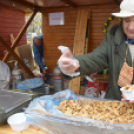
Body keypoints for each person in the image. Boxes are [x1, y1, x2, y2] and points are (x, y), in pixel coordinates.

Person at [58, 0, 134, 102]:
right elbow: (95, 59)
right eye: (127, 20)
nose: (131, 27)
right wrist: (72, 64)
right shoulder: (113, 39)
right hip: (116, 104)